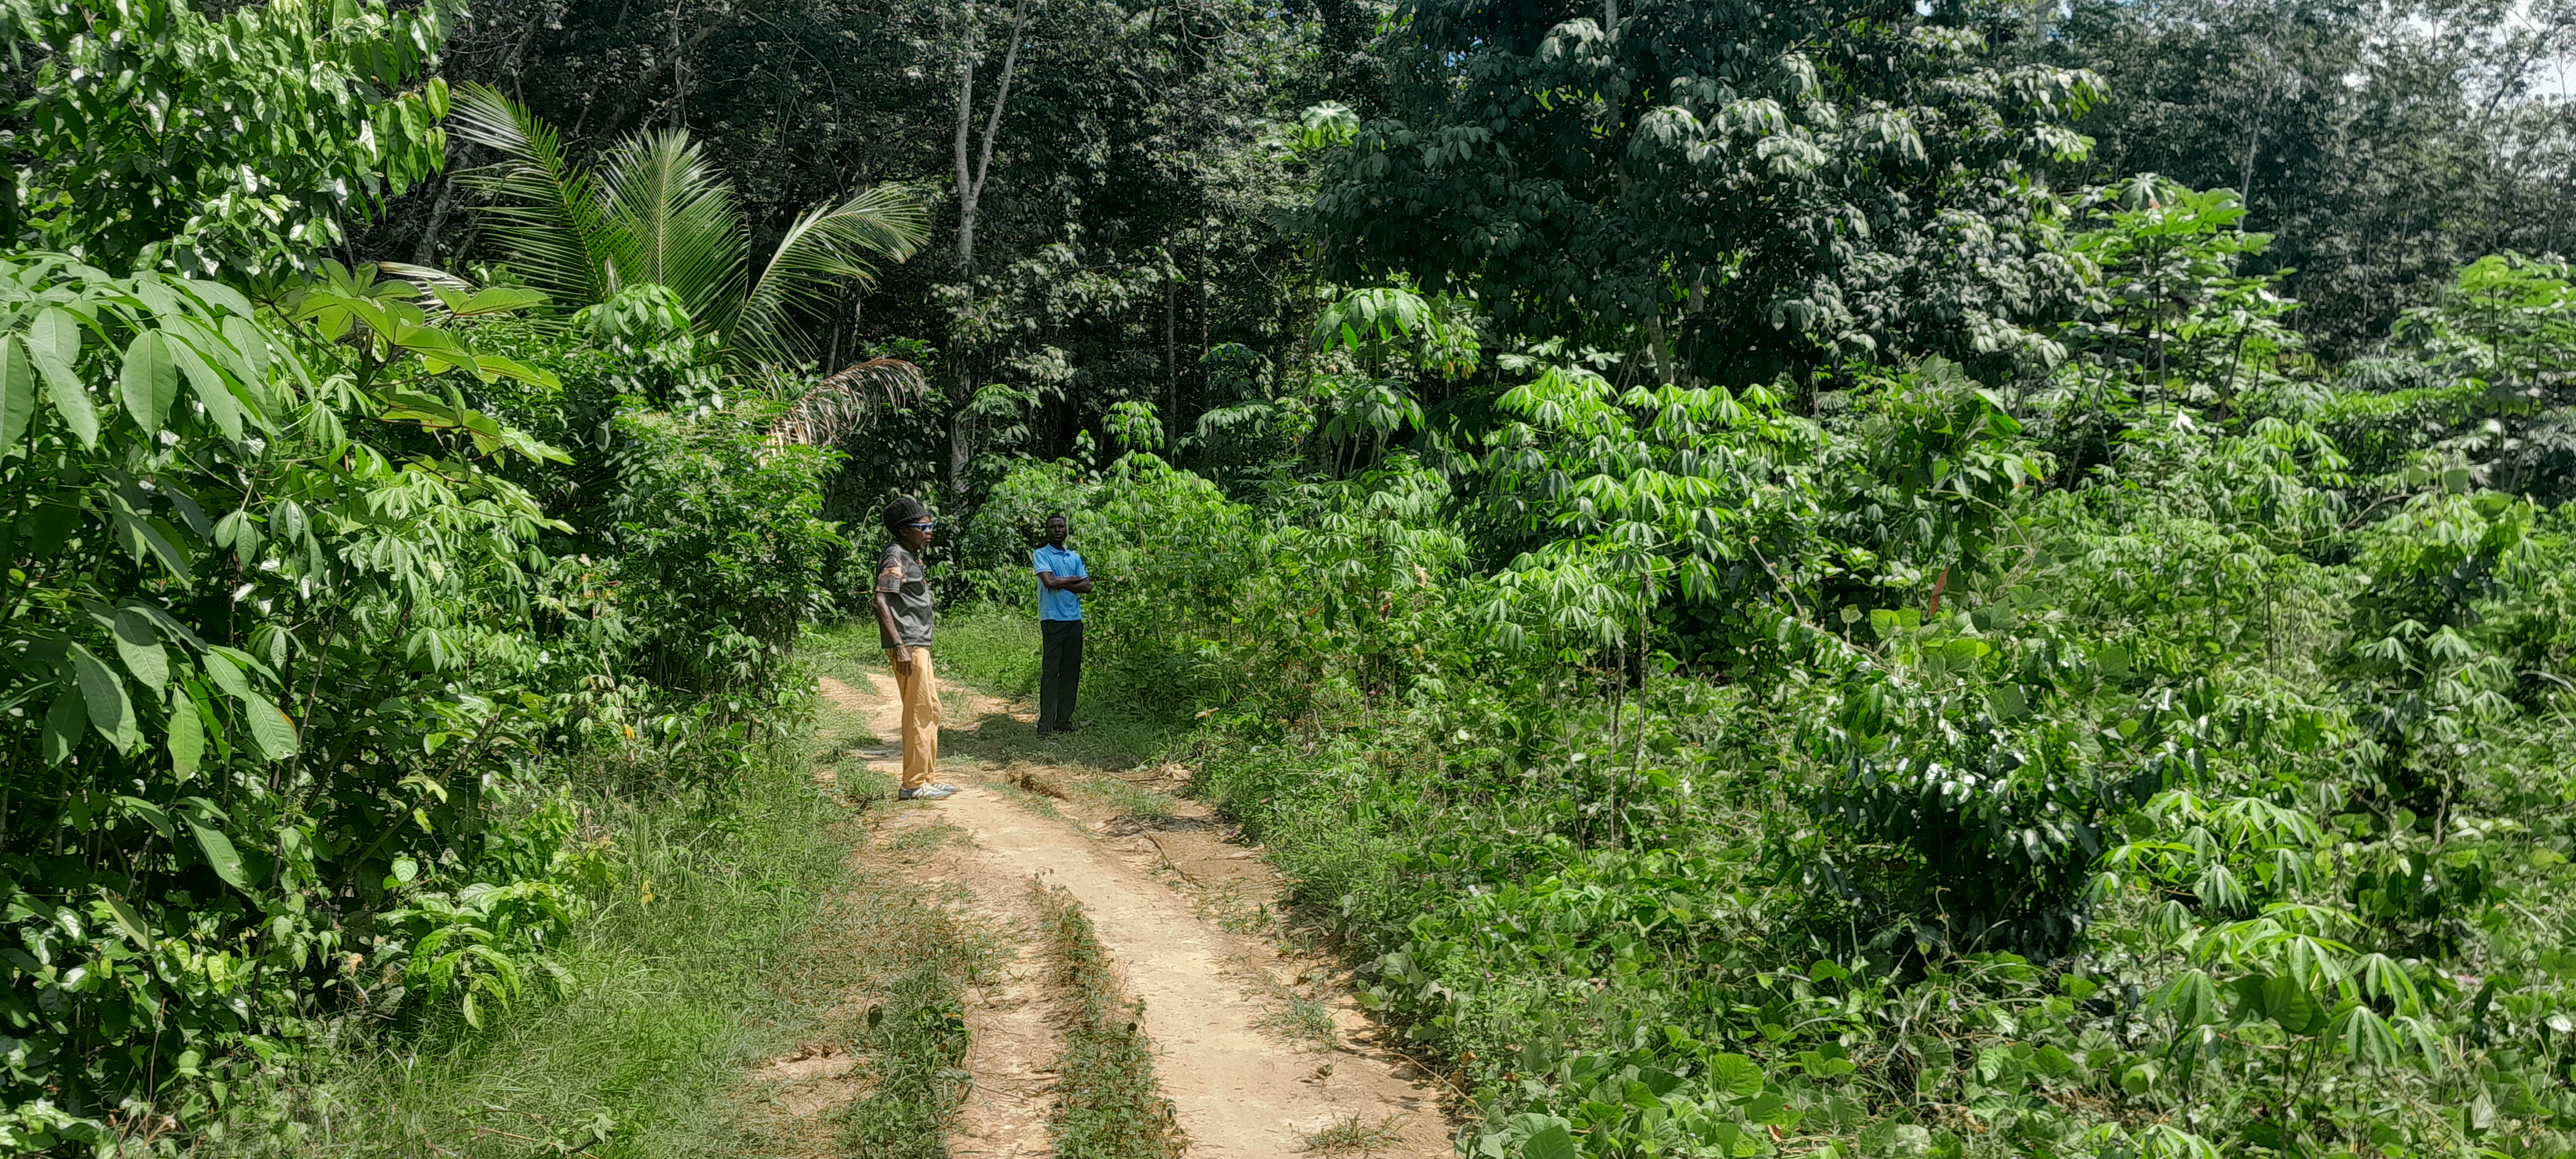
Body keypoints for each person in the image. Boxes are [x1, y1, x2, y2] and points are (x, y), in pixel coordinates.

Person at [875, 496, 957, 800]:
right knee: (919, 711)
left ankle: (926, 778)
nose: (928, 531)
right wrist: (899, 646)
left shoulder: (909, 555)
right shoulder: (895, 555)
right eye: (921, 527)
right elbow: (880, 600)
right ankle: (912, 784)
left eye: (930, 525)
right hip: (908, 643)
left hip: (918, 642)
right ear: (903, 530)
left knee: (931, 708)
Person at [1031, 512, 1093, 737]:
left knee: (1070, 672)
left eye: (1061, 526)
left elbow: (1087, 587)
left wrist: (1061, 582)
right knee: (1051, 672)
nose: (1058, 530)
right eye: (1053, 527)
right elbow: (1048, 582)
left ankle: (1063, 721)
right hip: (1052, 620)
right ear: (1047, 531)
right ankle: (1045, 725)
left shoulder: (1074, 556)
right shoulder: (1041, 554)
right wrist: (1073, 580)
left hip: (1074, 621)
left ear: (1067, 530)